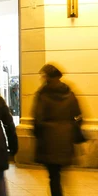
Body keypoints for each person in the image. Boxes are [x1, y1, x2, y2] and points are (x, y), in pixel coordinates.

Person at [33, 64, 83, 196]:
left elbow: (38, 119)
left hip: (49, 140)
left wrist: (38, 135)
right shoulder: (69, 93)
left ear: (48, 77)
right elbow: (78, 115)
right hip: (66, 138)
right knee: (60, 173)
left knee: (54, 176)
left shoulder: (43, 94)